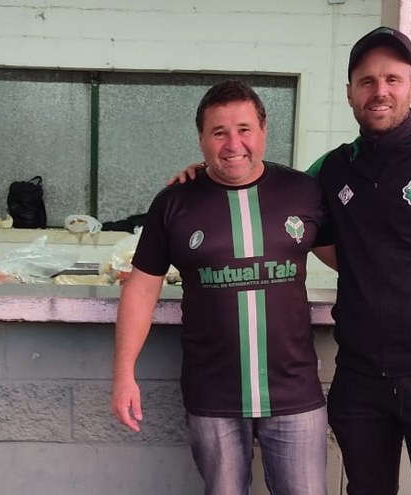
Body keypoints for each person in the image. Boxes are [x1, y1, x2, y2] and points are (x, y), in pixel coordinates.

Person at [172, 27, 411, 495]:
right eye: (366, 81)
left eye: (392, 79)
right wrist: (208, 175)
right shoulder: (333, 170)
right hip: (360, 381)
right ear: (350, 93)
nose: (380, 91)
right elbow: (270, 196)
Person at [110, 80, 329, 495]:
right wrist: (123, 375)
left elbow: (349, 260)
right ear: (201, 139)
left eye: (244, 129)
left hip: (295, 392)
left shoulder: (303, 192)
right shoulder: (175, 202)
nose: (233, 144)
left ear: (264, 130)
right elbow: (141, 289)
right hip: (213, 395)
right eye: (219, 133)